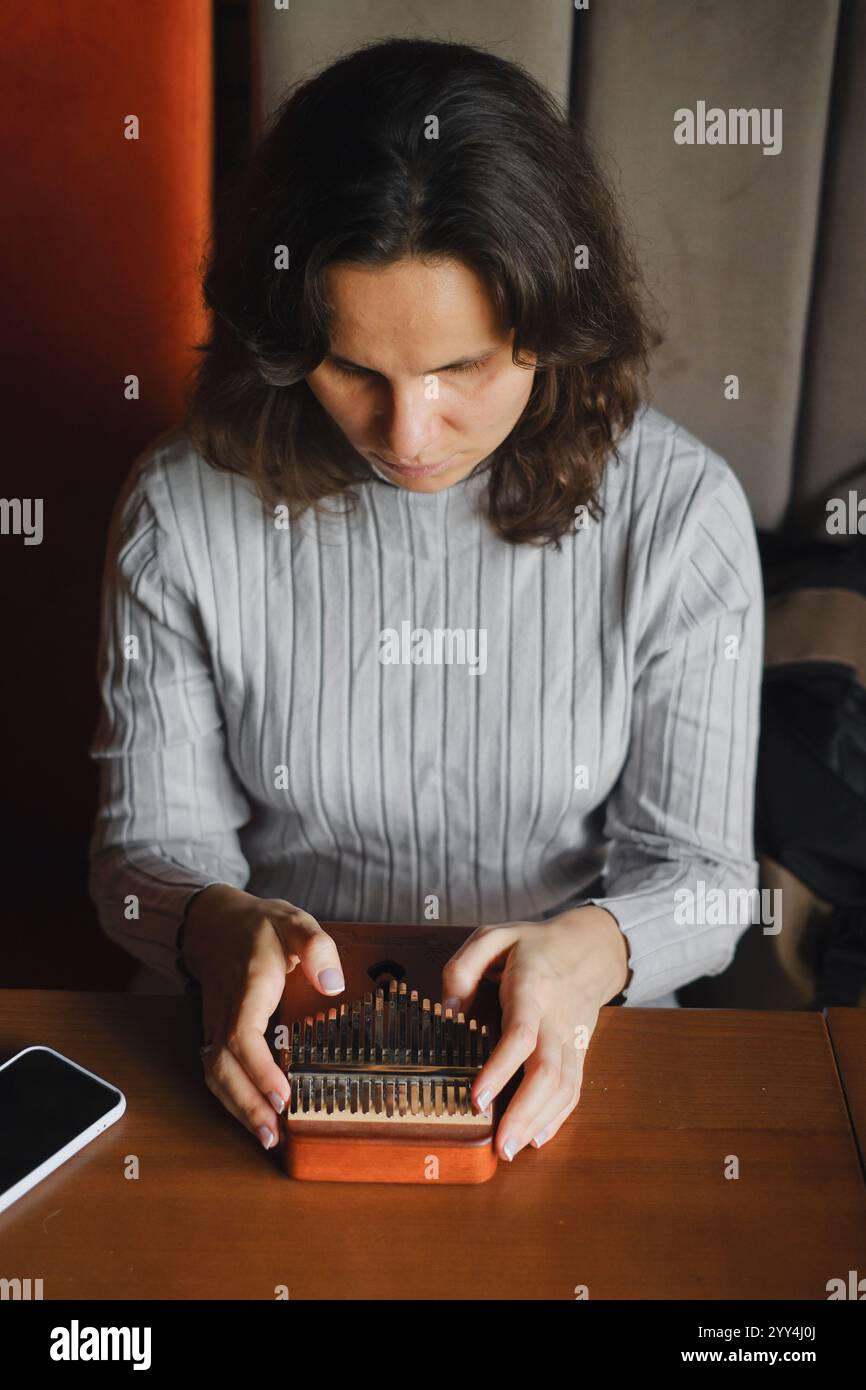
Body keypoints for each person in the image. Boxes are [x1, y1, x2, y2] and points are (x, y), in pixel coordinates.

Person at [88, 37, 763, 1164]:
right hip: (266, 1060)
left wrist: (591, 952)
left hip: (570, 1055)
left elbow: (702, 882)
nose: (407, 437)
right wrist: (212, 925)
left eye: (462, 368)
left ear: (547, 331)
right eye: (353, 369)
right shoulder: (180, 507)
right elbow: (139, 857)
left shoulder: (678, 513)